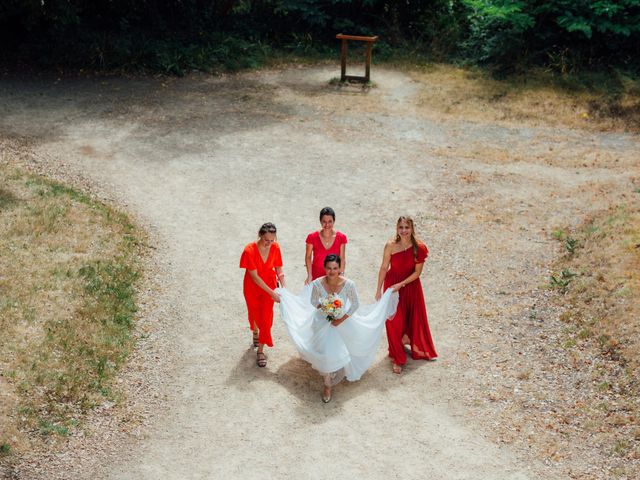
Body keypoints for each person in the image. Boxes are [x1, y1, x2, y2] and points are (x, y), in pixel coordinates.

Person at [278, 255, 398, 403]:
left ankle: (335, 370)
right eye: (329, 268)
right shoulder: (316, 283)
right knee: (327, 352)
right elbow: (313, 300)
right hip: (322, 321)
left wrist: (339, 319)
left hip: (342, 321)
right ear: (324, 268)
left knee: (339, 349)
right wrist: (326, 309)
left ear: (340, 268)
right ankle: (327, 384)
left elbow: (355, 305)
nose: (332, 271)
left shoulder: (349, 285)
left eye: (335, 268)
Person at [375, 216, 437, 374]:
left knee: (411, 317)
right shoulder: (390, 245)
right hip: (392, 285)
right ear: (397, 228)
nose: (404, 231)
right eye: (401, 227)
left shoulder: (419, 248)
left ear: (412, 229)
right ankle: (398, 358)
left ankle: (405, 339)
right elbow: (383, 268)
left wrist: (401, 284)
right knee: (393, 321)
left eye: (406, 227)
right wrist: (378, 289)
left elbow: (417, 273)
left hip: (410, 286)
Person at [240, 222, 285, 368]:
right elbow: (254, 277)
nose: (269, 243)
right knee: (254, 313)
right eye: (266, 240)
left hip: (270, 284)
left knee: (266, 318)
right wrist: (273, 293)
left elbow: (278, 268)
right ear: (260, 235)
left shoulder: (275, 247)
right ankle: (255, 331)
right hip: (253, 287)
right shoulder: (249, 250)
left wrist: (283, 286)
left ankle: (260, 350)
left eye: (272, 240)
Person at [305, 207, 348, 284]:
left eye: (330, 221)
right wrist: (309, 275)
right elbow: (308, 257)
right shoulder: (312, 237)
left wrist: (341, 275)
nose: (327, 224)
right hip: (316, 278)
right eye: (324, 221)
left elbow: (342, 258)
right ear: (320, 221)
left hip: (334, 277)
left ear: (334, 221)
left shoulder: (341, 238)